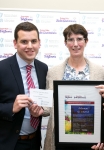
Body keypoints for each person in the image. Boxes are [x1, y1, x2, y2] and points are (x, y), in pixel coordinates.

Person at [44, 24, 104, 150]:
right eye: (70, 39)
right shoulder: (53, 72)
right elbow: (48, 105)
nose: (75, 44)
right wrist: (40, 110)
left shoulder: (100, 72)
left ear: (86, 41)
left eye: (79, 39)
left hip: (89, 139)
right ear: (65, 43)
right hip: (61, 138)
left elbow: (103, 105)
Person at [0, 22, 49, 150]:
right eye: (24, 42)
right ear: (15, 43)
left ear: (39, 42)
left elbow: (45, 101)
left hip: (34, 142)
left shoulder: (43, 68)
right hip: (8, 144)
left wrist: (40, 111)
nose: (30, 46)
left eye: (33, 41)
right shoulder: (2, 68)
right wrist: (11, 107)